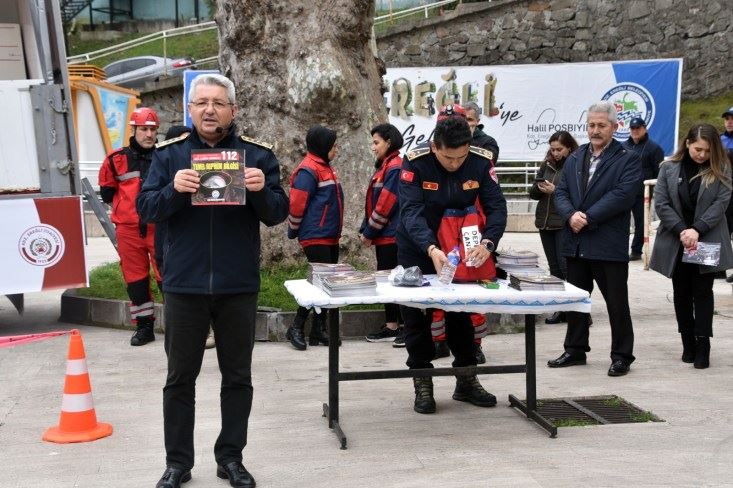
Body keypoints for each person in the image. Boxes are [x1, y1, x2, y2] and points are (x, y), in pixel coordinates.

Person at [137, 73, 288, 488]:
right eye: (201, 102)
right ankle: (178, 463)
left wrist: (259, 189)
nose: (209, 110)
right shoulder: (168, 156)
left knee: (237, 377)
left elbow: (278, 212)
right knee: (179, 379)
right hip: (184, 285)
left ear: (233, 110)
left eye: (218, 103)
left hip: (238, 284)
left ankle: (231, 457)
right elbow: (146, 209)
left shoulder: (256, 155)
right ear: (189, 109)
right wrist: (173, 189)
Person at [397, 115, 507, 414]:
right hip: (420, 248)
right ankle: (422, 381)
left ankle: (466, 379)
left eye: (461, 157)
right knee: (416, 315)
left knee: (461, 311)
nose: (455, 164)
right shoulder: (415, 162)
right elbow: (410, 212)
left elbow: (496, 206)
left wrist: (488, 243)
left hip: (461, 246)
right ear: (435, 147)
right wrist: (430, 248)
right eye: (448, 157)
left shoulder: (480, 162)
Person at [548, 101, 640, 377]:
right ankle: (575, 349)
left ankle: (622, 355)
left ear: (615, 126)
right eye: (591, 125)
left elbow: (623, 195)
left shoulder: (627, 158)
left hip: (607, 243)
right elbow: (561, 192)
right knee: (576, 301)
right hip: (576, 242)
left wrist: (586, 216)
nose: (595, 131)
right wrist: (570, 216)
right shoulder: (576, 157)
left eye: (602, 125)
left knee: (616, 303)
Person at [649, 124, 732, 369]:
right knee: (681, 293)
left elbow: (721, 203)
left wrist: (697, 229)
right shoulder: (668, 168)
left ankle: (703, 343)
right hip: (678, 240)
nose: (702, 155)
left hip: (705, 240)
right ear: (687, 144)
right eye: (698, 149)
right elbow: (661, 203)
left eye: (707, 151)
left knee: (703, 293)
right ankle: (687, 342)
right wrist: (682, 230)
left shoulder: (721, 169)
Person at [98, 107, 162, 347]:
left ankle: (179, 325)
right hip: (128, 230)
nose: (148, 134)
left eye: (153, 130)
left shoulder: (164, 156)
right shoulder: (115, 159)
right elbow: (107, 192)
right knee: (135, 280)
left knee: (168, 276)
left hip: (159, 227)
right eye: (144, 129)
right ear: (133, 130)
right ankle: (144, 327)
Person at [286, 125, 343, 351]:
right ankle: (296, 327)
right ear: (323, 146)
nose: (336, 149)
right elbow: (297, 204)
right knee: (317, 283)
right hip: (315, 235)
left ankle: (318, 329)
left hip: (329, 235)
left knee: (324, 284)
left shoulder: (324, 167)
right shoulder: (309, 170)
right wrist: (294, 229)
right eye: (333, 146)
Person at [361, 123, 405, 347]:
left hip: (393, 236)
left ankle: (405, 327)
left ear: (389, 142)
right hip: (384, 235)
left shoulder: (395, 167)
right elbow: (374, 202)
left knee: (397, 281)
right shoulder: (385, 166)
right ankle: (392, 326)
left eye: (376, 142)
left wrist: (369, 231)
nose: (373, 147)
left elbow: (386, 204)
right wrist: (365, 228)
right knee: (387, 280)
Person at [529, 130, 579, 325]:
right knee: (555, 268)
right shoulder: (546, 164)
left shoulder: (574, 164)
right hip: (545, 222)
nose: (556, 153)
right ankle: (561, 308)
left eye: (559, 149)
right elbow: (532, 193)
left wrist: (555, 190)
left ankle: (577, 310)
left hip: (563, 222)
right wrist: (538, 187)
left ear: (569, 147)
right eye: (553, 149)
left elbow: (576, 194)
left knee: (567, 267)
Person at [623, 117, 665, 260]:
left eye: (638, 128)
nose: (635, 131)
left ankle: (636, 251)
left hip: (642, 193)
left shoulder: (654, 148)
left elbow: (659, 173)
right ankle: (620, 248)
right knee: (620, 221)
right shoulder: (622, 146)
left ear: (644, 128)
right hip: (623, 192)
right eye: (632, 128)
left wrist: (656, 192)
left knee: (641, 224)